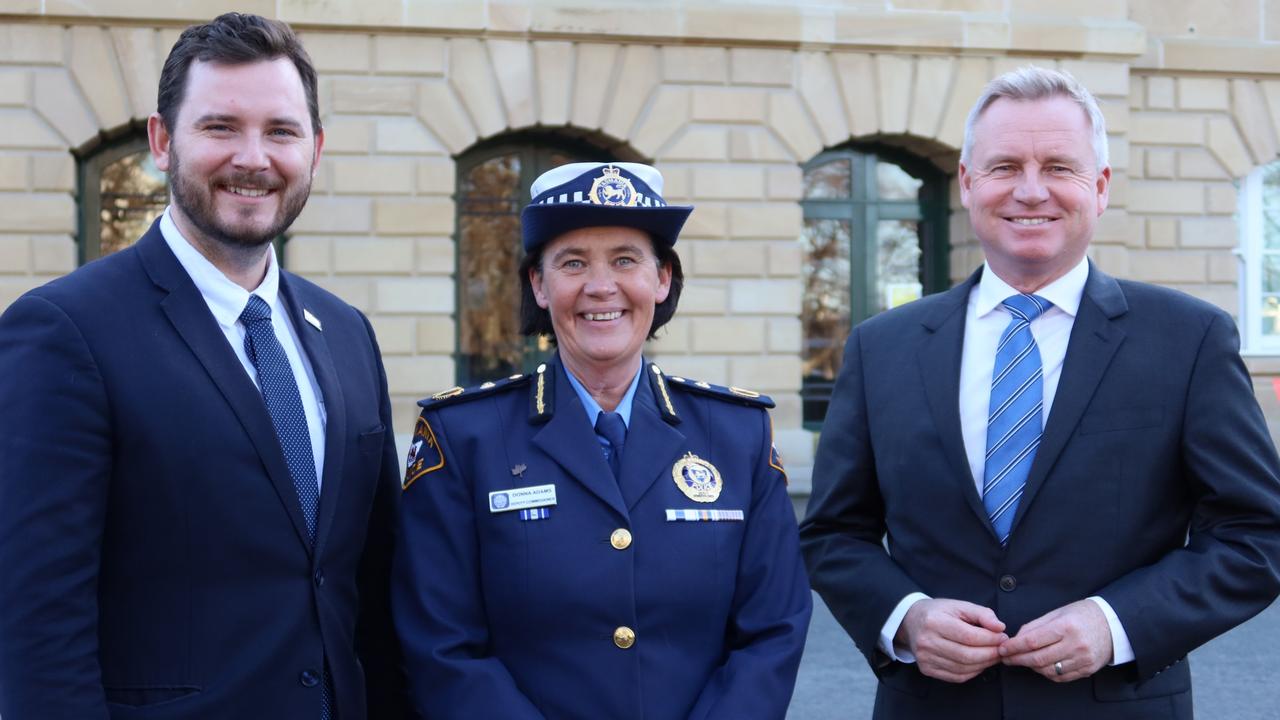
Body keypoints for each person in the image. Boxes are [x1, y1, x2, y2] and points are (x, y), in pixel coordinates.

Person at [800, 66, 1280, 719]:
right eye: (1004, 166)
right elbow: (832, 532)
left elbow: (1255, 535)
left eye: (1059, 166)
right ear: (968, 184)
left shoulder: (1188, 340)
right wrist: (905, 618)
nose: (1031, 191)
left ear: (1100, 187)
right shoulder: (882, 347)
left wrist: (1118, 624)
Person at [0, 13, 407, 719]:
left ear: (314, 150)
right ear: (162, 141)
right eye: (220, 127)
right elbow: (37, 620)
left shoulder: (345, 333)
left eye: (281, 132)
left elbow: (371, 584)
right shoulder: (65, 331)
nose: (254, 158)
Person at [392, 161, 812, 719]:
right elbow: (441, 646)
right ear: (539, 285)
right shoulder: (463, 437)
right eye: (572, 263)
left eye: (625, 259)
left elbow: (773, 632)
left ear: (661, 278)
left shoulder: (736, 434)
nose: (600, 286)